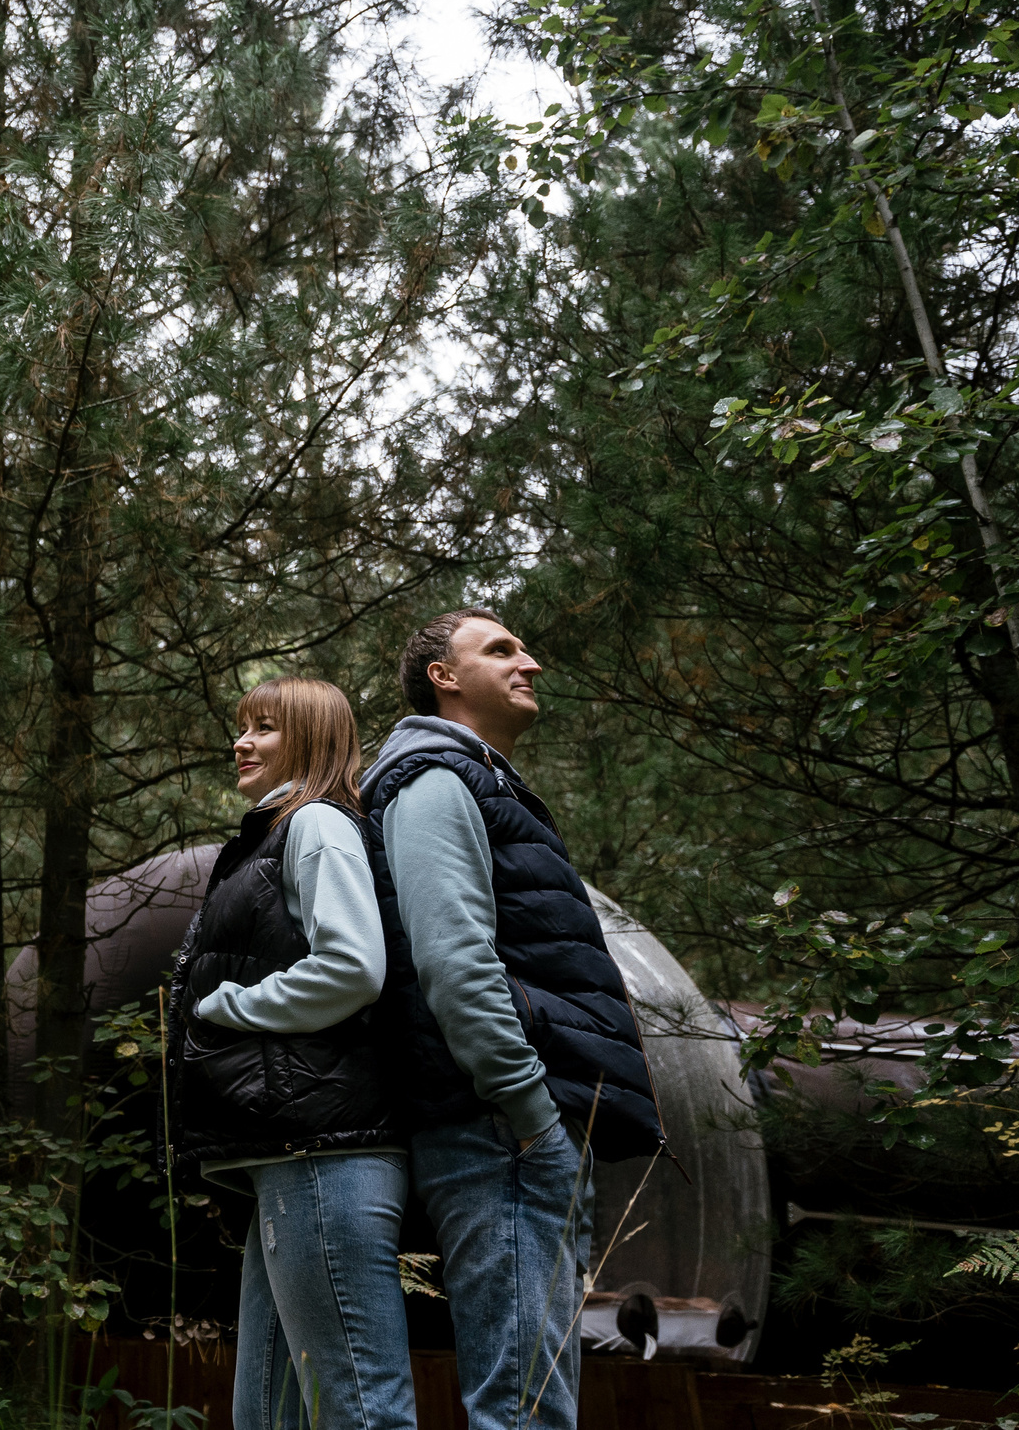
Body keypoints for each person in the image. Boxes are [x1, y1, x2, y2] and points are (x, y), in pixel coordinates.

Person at [358, 609, 662, 1430]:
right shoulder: (435, 779)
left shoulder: (475, 779)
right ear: (443, 677)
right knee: (524, 1404)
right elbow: (454, 963)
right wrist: (530, 1113)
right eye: (501, 649)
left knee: (529, 1394)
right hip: (502, 1127)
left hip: (511, 1127)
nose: (530, 662)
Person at [164, 676, 415, 1430]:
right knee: (266, 1416)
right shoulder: (278, 833)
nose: (241, 741)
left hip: (322, 1155)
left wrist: (225, 1007)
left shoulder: (318, 827)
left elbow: (351, 966)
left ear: (308, 740)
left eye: (264, 728)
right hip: (293, 1157)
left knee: (358, 1408)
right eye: (241, 728)